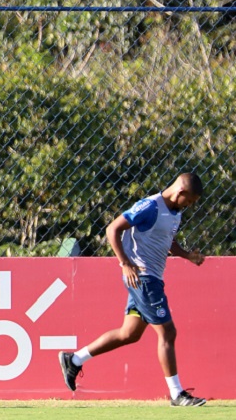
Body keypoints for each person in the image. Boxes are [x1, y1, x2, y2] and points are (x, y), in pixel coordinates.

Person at [59, 173, 207, 406]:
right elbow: (113, 229)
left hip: (152, 279)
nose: (189, 206)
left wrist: (187, 255)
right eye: (189, 201)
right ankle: (177, 393)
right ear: (180, 193)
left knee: (130, 333)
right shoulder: (149, 207)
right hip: (143, 278)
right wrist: (125, 263)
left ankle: (75, 359)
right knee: (167, 333)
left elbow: (167, 242)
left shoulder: (175, 213)